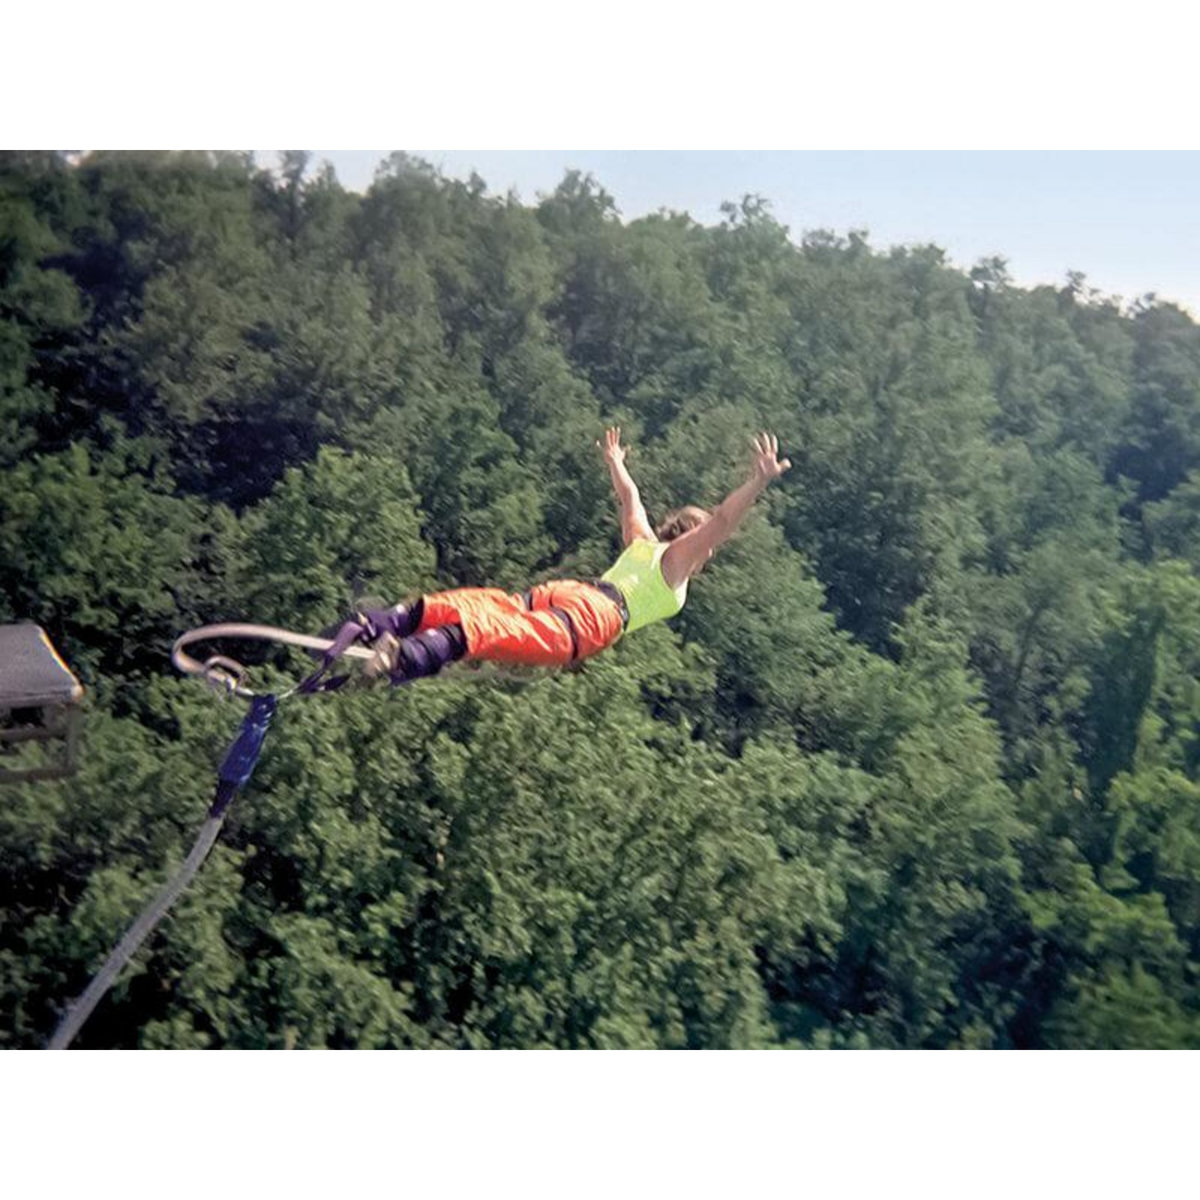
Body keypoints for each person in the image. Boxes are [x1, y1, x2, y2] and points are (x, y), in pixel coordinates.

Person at [360, 428, 791, 684]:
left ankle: (392, 620)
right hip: (597, 616)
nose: (709, 553)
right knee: (501, 634)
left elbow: (629, 496)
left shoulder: (642, 543)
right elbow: (720, 521)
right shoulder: (675, 564)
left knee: (498, 605)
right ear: (696, 542)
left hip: (570, 592)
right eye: (708, 549)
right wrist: (758, 482)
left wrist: (614, 459)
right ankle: (409, 654)